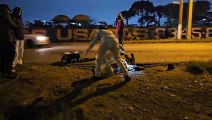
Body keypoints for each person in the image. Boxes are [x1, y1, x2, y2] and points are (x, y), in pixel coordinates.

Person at [0, 4, 18, 79]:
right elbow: (14, 26)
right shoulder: (7, 17)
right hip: (8, 40)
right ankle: (9, 74)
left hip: (1, 41)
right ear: (6, 10)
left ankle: (3, 73)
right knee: (9, 58)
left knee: (2, 58)